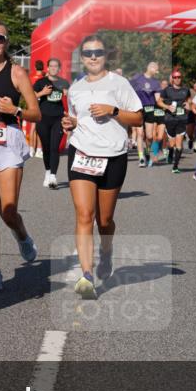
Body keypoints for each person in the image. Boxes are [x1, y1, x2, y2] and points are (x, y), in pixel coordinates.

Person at [61, 34, 143, 299]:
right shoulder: (75, 88)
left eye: (98, 52)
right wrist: (69, 124)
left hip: (113, 156)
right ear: (82, 57)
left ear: (106, 55)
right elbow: (76, 118)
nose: (93, 57)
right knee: (84, 214)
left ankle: (106, 252)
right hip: (82, 152)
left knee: (104, 220)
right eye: (87, 53)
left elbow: (139, 118)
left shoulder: (119, 84)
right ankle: (86, 275)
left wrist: (114, 111)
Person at [0, 19, 41, 294]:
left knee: (8, 210)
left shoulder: (16, 73)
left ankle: (22, 236)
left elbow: (36, 113)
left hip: (10, 141)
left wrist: (15, 109)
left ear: (6, 42)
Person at [33, 57, 69, 189]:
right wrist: (43, 92)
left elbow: (71, 99)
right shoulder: (40, 82)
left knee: (55, 147)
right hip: (43, 118)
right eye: (51, 66)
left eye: (56, 66)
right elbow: (31, 97)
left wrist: (67, 94)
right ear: (47, 68)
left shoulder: (64, 83)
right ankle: (47, 172)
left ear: (59, 69)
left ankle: (53, 176)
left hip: (57, 119)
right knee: (46, 148)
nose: (54, 68)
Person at [156, 68, 191, 174]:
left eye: (179, 77)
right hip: (170, 120)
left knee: (179, 143)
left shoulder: (186, 90)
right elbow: (159, 102)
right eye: (175, 77)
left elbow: (189, 101)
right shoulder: (167, 90)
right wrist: (167, 107)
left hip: (181, 119)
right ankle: (170, 152)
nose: (177, 79)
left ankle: (175, 166)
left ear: (181, 78)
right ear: (172, 79)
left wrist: (189, 105)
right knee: (172, 144)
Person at [127, 62, 161, 167]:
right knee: (140, 134)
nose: (157, 72)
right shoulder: (137, 78)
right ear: (150, 68)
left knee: (150, 136)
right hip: (138, 108)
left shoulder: (156, 82)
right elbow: (128, 90)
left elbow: (158, 98)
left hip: (150, 108)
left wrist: (165, 106)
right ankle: (141, 157)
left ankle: (147, 152)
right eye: (156, 69)